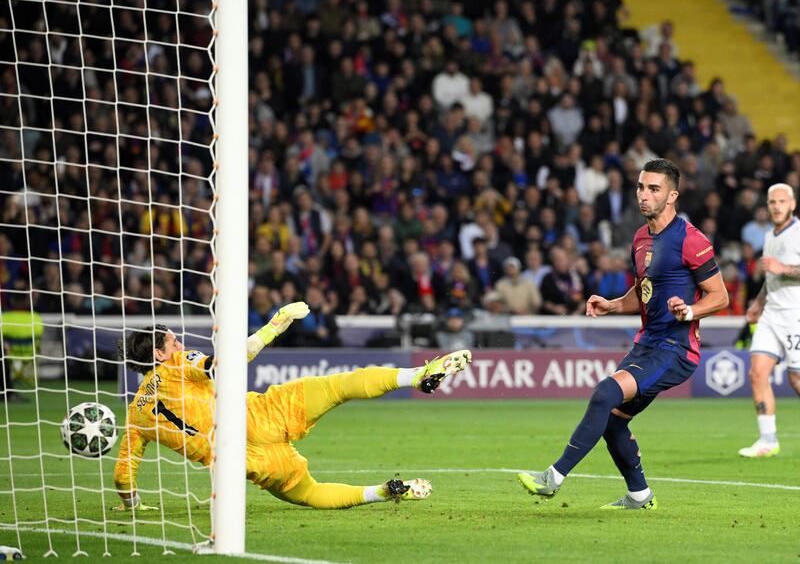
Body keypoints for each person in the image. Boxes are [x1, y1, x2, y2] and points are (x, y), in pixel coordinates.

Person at [113, 302, 472, 510]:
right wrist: (273, 327)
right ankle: (418, 375)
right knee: (340, 385)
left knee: (308, 493)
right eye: (173, 342)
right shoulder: (178, 364)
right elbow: (230, 360)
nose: (179, 344)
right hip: (256, 415)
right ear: (159, 354)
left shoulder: (135, 414)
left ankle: (378, 493)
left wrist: (133, 506)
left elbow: (123, 473)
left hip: (239, 460)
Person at [518, 159, 728, 509]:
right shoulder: (641, 237)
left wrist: (690, 311)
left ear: (672, 195)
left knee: (604, 393)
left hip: (675, 350)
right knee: (614, 422)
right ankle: (640, 495)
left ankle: (552, 478)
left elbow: (719, 295)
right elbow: (643, 290)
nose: (643, 195)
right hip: (646, 344)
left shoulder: (691, 240)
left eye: (654, 189)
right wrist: (612, 305)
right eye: (641, 187)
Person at [738, 183, 800, 458]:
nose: (776, 206)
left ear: (792, 204)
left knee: (796, 379)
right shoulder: (770, 236)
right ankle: (767, 440)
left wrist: (783, 268)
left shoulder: (798, 233)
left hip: (795, 315)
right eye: (772, 202)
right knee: (757, 373)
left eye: (781, 201)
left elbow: (781, 270)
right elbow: (771, 276)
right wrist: (759, 302)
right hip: (772, 314)